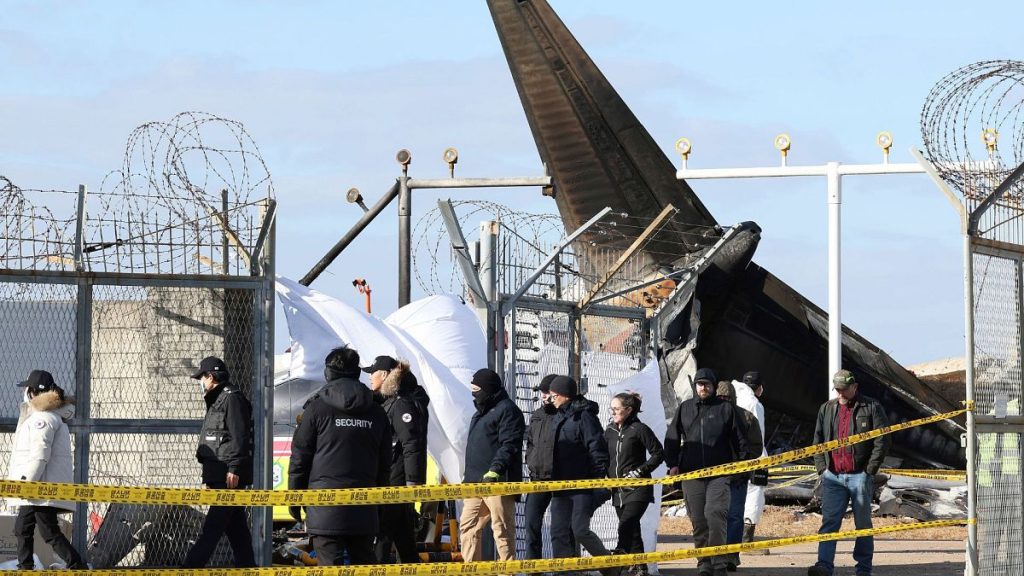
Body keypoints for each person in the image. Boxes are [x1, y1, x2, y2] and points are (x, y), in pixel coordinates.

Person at [289, 346, 391, 566]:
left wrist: (294, 499)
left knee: (330, 567)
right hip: (365, 506)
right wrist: (379, 504)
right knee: (364, 565)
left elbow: (300, 458)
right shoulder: (377, 412)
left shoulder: (316, 410)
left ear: (328, 374)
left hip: (325, 508)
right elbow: (385, 465)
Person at [664, 367, 748, 576]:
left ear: (713, 386)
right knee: (699, 520)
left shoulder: (726, 409)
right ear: (695, 387)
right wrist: (672, 463)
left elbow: (741, 441)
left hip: (719, 474)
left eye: (707, 384)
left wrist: (741, 467)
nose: (703, 387)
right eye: (700, 384)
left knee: (714, 514)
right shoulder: (684, 408)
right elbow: (672, 438)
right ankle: (704, 563)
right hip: (691, 474)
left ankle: (719, 563)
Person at [808, 369, 890, 576]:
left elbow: (883, 440)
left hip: (859, 476)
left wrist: (869, 470)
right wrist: (822, 469)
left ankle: (863, 569)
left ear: (855, 387)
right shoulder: (826, 409)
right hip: (832, 476)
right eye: (838, 389)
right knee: (829, 523)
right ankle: (824, 566)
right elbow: (817, 441)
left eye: (844, 389)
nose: (841, 393)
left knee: (863, 525)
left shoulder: (871, 407)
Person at [8, 370, 86, 570]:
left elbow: (40, 454)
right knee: (23, 528)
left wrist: (26, 483)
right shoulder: (43, 416)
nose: (24, 392)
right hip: (37, 485)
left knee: (47, 531)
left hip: (38, 486)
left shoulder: (43, 419)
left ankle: (77, 566)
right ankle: (25, 566)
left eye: (27, 389)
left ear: (33, 392)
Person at [183, 357, 256, 568]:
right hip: (219, 475)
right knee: (237, 530)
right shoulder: (217, 399)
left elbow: (239, 436)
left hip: (228, 477)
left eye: (202, 377)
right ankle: (247, 568)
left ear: (210, 377)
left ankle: (189, 569)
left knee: (212, 529)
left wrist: (234, 468)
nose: (201, 382)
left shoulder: (231, 399)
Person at [545, 376, 619, 576]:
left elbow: (598, 449)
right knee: (558, 531)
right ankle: (564, 571)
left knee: (579, 530)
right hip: (560, 487)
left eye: (553, 396)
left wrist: (595, 482)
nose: (551, 400)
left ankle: (610, 567)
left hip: (582, 486)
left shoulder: (585, 417)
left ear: (563, 396)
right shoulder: (559, 416)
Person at [364, 356, 430, 564]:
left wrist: (412, 482)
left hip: (396, 479)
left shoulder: (402, 403)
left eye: (372, 374)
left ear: (384, 375)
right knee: (403, 537)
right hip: (395, 477)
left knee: (382, 535)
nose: (369, 380)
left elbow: (411, 443)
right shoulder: (395, 400)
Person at [460, 368, 526, 569]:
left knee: (502, 528)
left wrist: (495, 469)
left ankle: (507, 570)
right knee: (468, 526)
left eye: (476, 389)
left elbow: (510, 444)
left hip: (497, 481)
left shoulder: (508, 410)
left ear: (488, 389)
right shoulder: (480, 413)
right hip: (474, 482)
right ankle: (472, 570)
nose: (473, 393)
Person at [604, 391, 664, 576]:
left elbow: (658, 453)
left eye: (616, 409)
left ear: (628, 410)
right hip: (617, 490)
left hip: (638, 489)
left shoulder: (640, 429)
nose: (613, 412)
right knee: (633, 528)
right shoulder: (609, 431)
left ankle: (619, 559)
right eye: (611, 409)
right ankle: (640, 566)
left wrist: (640, 471)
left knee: (626, 524)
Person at [716, 380, 763, 572]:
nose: (724, 401)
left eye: (727, 398)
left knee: (735, 517)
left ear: (733, 398)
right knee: (714, 517)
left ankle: (731, 556)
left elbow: (756, 447)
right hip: (713, 478)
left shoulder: (747, 417)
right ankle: (714, 555)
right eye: (720, 398)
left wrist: (742, 460)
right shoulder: (709, 416)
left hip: (738, 477)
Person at [524, 373, 559, 560]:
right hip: (537, 479)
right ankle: (533, 569)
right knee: (531, 525)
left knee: (560, 529)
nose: (544, 396)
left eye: (547, 392)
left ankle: (563, 569)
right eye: (542, 392)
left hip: (560, 480)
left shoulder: (565, 415)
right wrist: (530, 462)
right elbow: (530, 443)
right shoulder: (536, 415)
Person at [737, 371, 768, 548]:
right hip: (754, 457)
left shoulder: (733, 398)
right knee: (754, 494)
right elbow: (759, 436)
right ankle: (746, 538)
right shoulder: (754, 404)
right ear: (758, 388)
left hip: (735, 457)